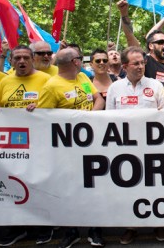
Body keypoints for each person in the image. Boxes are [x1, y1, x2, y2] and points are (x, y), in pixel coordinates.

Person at [37, 48, 105, 248]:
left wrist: (87, 119)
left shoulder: (83, 76)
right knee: (68, 191)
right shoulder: (51, 87)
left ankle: (95, 229)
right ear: (76, 61)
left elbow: (98, 98)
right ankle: (71, 231)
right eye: (79, 58)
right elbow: (44, 119)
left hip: (90, 144)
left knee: (93, 188)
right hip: (65, 150)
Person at [0, 45, 53, 246]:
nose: (22, 61)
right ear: (12, 61)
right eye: (17, 58)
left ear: (32, 59)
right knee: (14, 184)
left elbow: (56, 104)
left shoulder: (46, 79)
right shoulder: (5, 80)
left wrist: (41, 107)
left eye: (25, 57)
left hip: (40, 141)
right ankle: (18, 227)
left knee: (39, 184)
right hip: (12, 145)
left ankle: (44, 226)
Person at [105, 46, 164, 244]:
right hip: (126, 148)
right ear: (125, 66)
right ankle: (131, 226)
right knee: (130, 187)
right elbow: (109, 118)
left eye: (143, 62)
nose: (140, 66)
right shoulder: (115, 88)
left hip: (153, 147)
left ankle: (159, 224)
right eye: (136, 63)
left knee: (155, 186)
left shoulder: (156, 85)